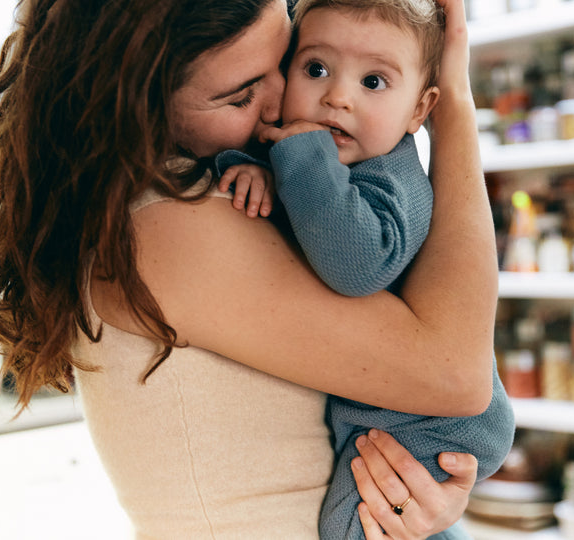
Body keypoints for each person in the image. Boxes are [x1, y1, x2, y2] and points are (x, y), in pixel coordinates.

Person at [0, 0, 498, 538]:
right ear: (139, 105)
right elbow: (457, 374)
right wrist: (453, 106)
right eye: (240, 94)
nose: (282, 103)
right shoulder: (165, 226)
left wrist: (411, 493)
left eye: (285, 59)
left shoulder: (210, 183)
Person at [214, 1, 515, 538]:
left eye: (374, 81)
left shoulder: (395, 177)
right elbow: (304, 202)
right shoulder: (323, 156)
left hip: (429, 422)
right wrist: (250, 171)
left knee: (353, 524)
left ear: (420, 111)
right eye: (315, 69)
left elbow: (357, 263)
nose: (338, 97)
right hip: (384, 411)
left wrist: (297, 158)